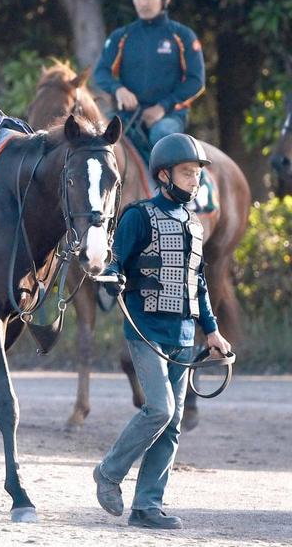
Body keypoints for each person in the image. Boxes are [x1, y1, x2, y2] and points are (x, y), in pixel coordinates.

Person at [92, 133, 232, 530]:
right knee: (160, 408)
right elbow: (116, 262)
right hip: (145, 330)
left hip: (184, 337)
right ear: (165, 175)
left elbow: (198, 283)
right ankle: (108, 472)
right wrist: (113, 277)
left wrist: (213, 332)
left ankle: (146, 506)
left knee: (172, 424)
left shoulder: (195, 224)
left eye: (198, 174)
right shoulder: (138, 216)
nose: (195, 181)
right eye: (188, 173)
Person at [93, 0, 205, 152]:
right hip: (128, 116)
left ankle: (184, 182)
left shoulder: (183, 36)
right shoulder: (121, 36)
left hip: (169, 116)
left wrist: (163, 107)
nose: (143, 2)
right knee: (96, 141)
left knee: (161, 135)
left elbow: (196, 81)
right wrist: (118, 89)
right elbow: (101, 72)